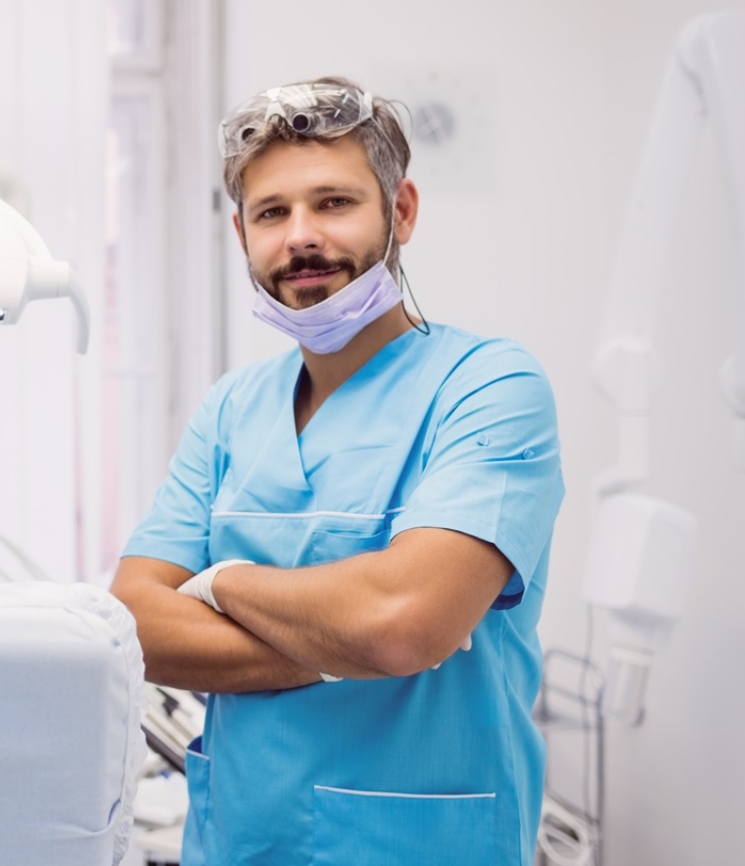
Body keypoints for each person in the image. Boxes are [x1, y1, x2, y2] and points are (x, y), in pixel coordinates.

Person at [110, 79, 565, 866]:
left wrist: (220, 584)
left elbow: (402, 623)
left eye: (334, 203)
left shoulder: (489, 388)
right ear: (240, 231)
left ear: (403, 211)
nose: (301, 237)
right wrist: (352, 640)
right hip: (241, 843)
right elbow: (134, 625)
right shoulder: (231, 410)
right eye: (272, 213)